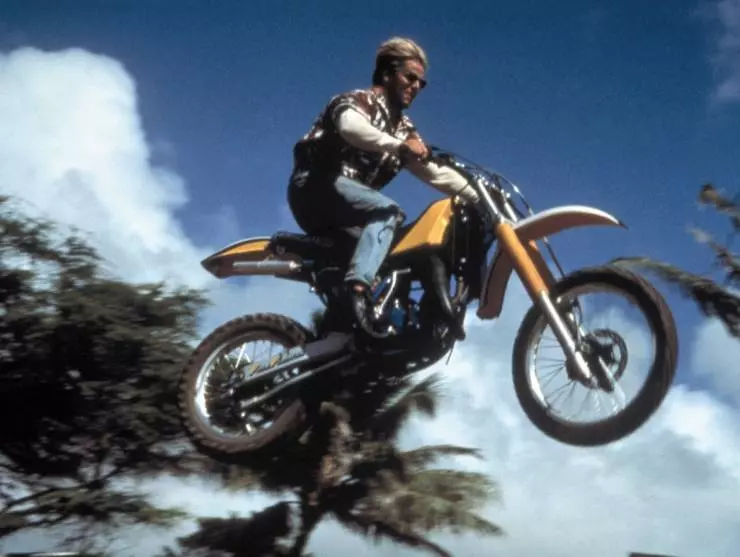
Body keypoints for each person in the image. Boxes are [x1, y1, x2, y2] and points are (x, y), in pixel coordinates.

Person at [287, 36, 479, 336]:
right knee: (389, 212)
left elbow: (433, 173)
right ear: (388, 74)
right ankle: (358, 289)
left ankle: (353, 334)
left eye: (421, 83)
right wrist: (398, 146)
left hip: (349, 213)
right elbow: (352, 128)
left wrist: (479, 196)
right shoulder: (358, 100)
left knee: (407, 251)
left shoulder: (404, 128)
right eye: (410, 77)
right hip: (315, 186)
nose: (416, 86)